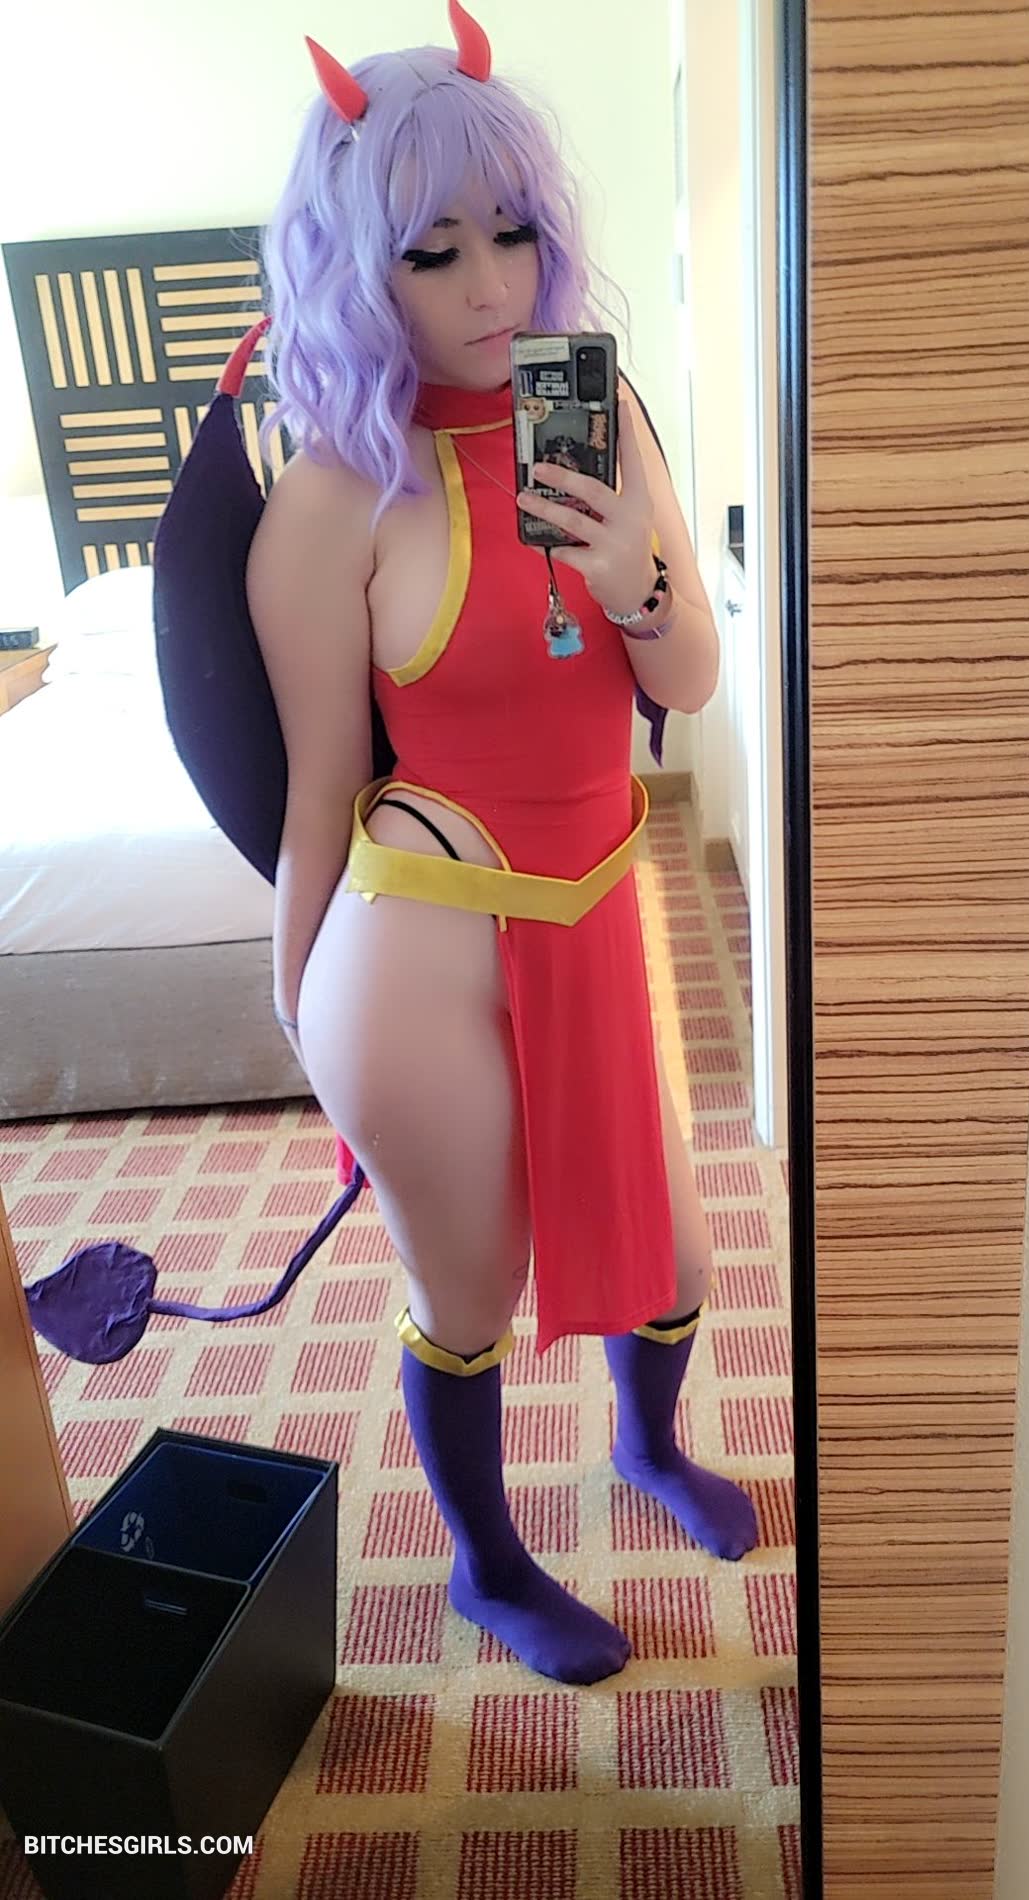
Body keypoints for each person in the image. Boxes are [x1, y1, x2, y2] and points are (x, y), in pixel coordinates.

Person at [245, 2, 758, 1687]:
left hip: (599, 898)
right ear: (357, 269)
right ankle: (485, 1564)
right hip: (421, 938)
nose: (489, 286)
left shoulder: (591, 415)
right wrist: (296, 1005)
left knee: (673, 1248)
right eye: (433, 250)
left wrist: (631, 581)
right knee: (466, 1287)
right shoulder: (333, 497)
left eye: (513, 231)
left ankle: (649, 1445)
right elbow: (319, 788)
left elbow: (685, 681)